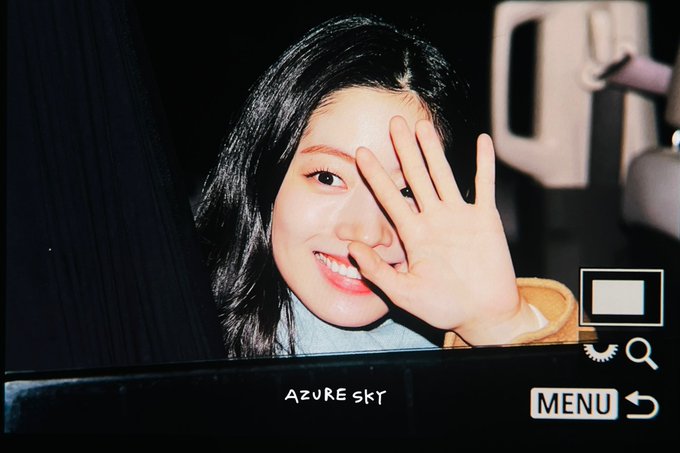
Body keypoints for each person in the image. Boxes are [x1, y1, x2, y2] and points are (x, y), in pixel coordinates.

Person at [195, 15, 585, 358]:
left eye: (407, 192)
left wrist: (501, 325)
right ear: (263, 180)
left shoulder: (454, 352)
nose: (367, 233)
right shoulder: (177, 326)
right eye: (328, 177)